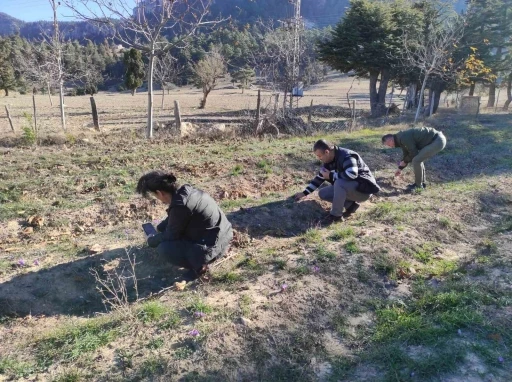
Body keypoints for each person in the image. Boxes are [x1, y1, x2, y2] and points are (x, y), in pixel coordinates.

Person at [136, 171, 233, 280]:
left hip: (213, 249)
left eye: (154, 195)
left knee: (164, 249)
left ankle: (198, 266)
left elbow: (171, 235)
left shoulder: (180, 206)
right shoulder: (186, 191)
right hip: (225, 236)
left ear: (159, 193)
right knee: (169, 234)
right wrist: (159, 228)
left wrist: (151, 240)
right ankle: (200, 258)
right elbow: (175, 218)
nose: (156, 198)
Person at [294, 139, 380, 223]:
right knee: (323, 193)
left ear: (327, 152)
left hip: (364, 190)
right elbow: (319, 178)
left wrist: (331, 175)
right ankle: (351, 206)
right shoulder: (329, 160)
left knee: (339, 183)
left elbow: (352, 174)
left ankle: (336, 216)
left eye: (319, 156)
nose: (319, 158)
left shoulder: (347, 156)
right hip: (353, 189)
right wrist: (304, 193)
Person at [382, 126, 446, 191]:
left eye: (388, 144)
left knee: (416, 160)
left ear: (390, 140)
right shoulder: (400, 138)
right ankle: (422, 183)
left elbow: (413, 153)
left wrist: (405, 161)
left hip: (437, 141)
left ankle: (418, 186)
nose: (390, 146)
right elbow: (406, 154)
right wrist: (400, 168)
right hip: (437, 140)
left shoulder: (403, 138)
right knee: (418, 159)